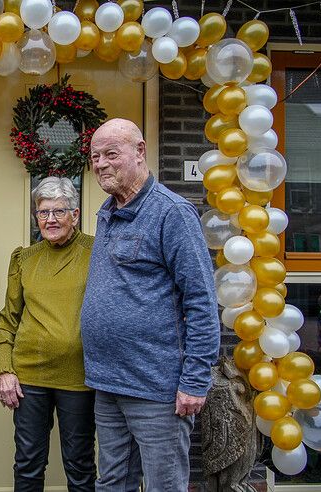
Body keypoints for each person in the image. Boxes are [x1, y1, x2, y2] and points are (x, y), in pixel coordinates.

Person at [81, 118, 220, 492]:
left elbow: (202, 302)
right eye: (95, 156)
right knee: (112, 483)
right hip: (108, 383)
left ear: (140, 152)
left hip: (157, 389)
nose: (101, 164)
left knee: (164, 485)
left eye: (112, 153)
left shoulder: (172, 213)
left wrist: (195, 380)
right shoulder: (107, 211)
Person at [0, 177, 97, 492]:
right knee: (28, 463)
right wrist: (4, 369)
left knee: (80, 464)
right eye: (43, 212)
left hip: (80, 378)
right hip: (30, 378)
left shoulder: (97, 252)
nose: (50, 220)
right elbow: (8, 319)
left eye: (59, 212)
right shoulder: (25, 258)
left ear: (75, 215)